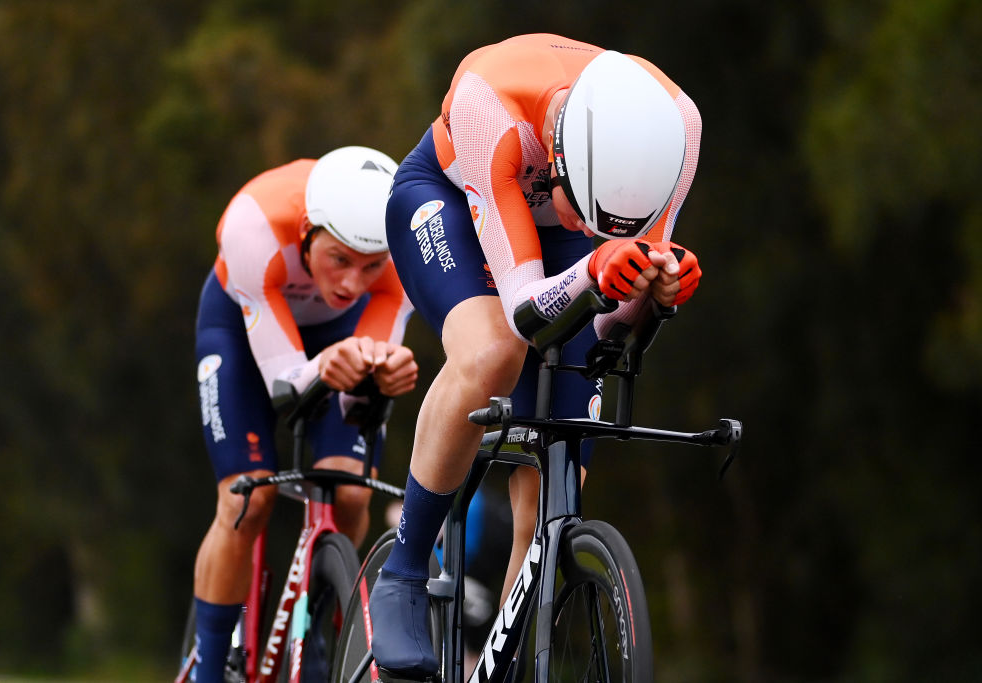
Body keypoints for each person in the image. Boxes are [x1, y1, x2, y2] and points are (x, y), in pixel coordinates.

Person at [368, 34, 703, 681]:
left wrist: (656, 294)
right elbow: (526, 313)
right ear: (556, 154)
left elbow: (608, 322)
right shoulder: (488, 100)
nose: (590, 230)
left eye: (615, 225)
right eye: (590, 214)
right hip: (450, 202)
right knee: (493, 350)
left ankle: (505, 663)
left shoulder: (679, 126)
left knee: (555, 497)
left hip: (555, 255)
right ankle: (404, 569)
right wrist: (600, 264)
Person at [191, 146, 418, 683]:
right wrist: (323, 368)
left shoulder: (405, 247)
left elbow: (360, 394)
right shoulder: (255, 225)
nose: (352, 284)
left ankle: (314, 630)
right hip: (242, 330)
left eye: (371, 267)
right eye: (339, 259)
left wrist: (385, 377)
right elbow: (285, 387)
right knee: (249, 499)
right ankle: (207, 663)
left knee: (352, 491)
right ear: (307, 233)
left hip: (334, 339)